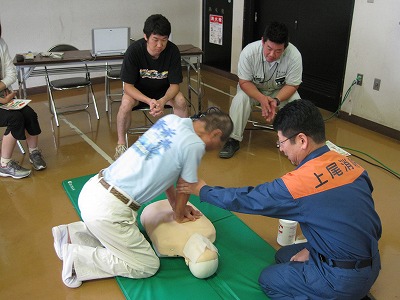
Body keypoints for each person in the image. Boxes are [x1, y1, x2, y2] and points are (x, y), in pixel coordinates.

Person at [178, 99, 382, 299]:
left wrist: (203, 190)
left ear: (302, 140)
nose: (281, 149)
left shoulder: (300, 184)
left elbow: (248, 199)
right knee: (283, 256)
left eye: (282, 142)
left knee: (269, 280)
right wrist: (312, 250)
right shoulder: (350, 165)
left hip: (342, 278)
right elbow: (369, 225)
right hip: (371, 262)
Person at [51, 110, 233, 288]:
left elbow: (167, 172)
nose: (213, 150)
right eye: (218, 144)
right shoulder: (195, 146)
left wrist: (174, 206)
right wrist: (178, 215)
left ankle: (70, 234)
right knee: (146, 265)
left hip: (94, 189)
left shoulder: (172, 120)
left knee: (112, 233)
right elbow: (185, 186)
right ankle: (76, 260)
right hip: (109, 210)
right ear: (216, 133)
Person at [220, 21, 302, 159]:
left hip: (279, 91)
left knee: (296, 103)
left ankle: (289, 141)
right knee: (240, 99)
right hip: (253, 90)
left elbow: (293, 85)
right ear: (263, 41)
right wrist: (262, 98)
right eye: (269, 48)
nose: (272, 54)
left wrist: (275, 100)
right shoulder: (249, 52)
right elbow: (244, 82)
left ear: (285, 48)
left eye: (278, 51)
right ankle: (232, 139)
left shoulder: (294, 56)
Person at [115, 14, 188, 159]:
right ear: (146, 37)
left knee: (181, 101)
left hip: (163, 92)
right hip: (138, 92)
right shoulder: (134, 51)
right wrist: (149, 101)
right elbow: (127, 87)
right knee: (125, 104)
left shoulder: (173, 51)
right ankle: (121, 143)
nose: (160, 45)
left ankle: (179, 142)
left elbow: (174, 86)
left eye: (164, 40)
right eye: (155, 40)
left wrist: (162, 100)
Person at [0, 21, 46, 179]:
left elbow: (11, 73)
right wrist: (2, 100)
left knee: (29, 114)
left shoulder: (1, 43)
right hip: (2, 98)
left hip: (3, 96)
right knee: (15, 118)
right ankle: (4, 164)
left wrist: (3, 94)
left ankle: (34, 153)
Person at [140, 199, 219, 279]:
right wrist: (177, 205)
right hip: (151, 208)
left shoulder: (165, 244)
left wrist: (176, 205)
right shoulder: (209, 231)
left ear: (187, 261)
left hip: (149, 209)